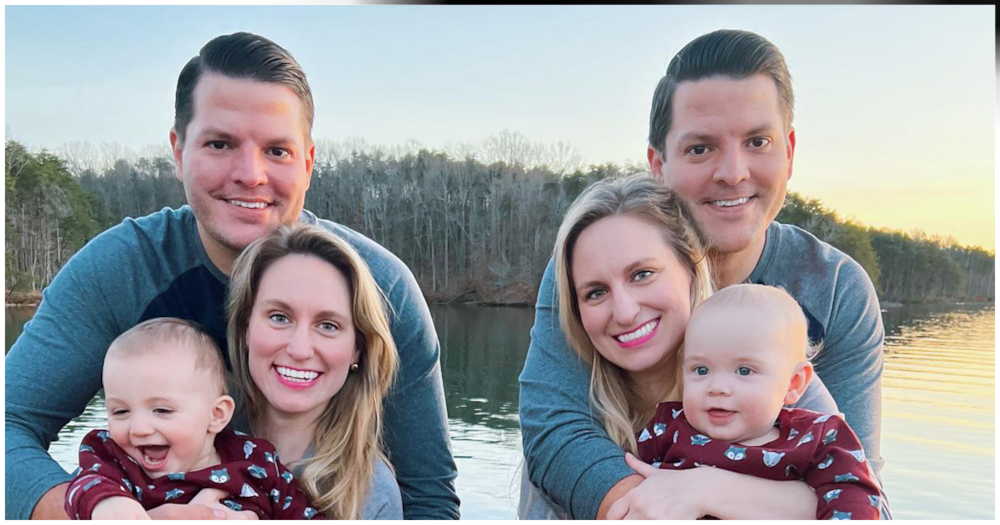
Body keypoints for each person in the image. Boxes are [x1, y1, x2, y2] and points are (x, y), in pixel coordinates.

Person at [3, 32, 459, 523]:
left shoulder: (379, 288)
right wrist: (108, 514)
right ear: (178, 151)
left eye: (278, 151)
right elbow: (9, 421)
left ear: (308, 163)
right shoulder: (120, 270)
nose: (250, 174)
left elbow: (428, 499)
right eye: (220, 143)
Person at [519, 29, 884, 522]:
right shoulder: (594, 260)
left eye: (758, 141)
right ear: (657, 165)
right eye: (700, 149)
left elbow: (862, 486)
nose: (733, 172)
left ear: (790, 152)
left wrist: (708, 491)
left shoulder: (836, 289)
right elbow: (553, 430)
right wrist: (656, 504)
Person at [633, 285, 884, 523]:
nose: (717, 387)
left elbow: (857, 498)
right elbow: (630, 487)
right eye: (701, 369)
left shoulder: (817, 440)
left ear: (793, 383)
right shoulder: (666, 429)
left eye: (744, 371)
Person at [64, 318, 324, 523]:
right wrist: (106, 503)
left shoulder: (256, 461)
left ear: (217, 415)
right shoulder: (115, 460)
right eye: (120, 412)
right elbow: (84, 485)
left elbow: (302, 513)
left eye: (162, 410)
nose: (139, 429)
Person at [226, 224, 403, 522]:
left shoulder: (373, 495)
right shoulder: (185, 444)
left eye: (328, 325)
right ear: (246, 329)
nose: (300, 349)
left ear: (357, 349)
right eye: (279, 317)